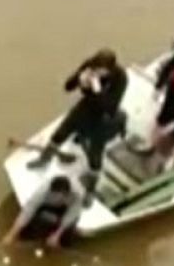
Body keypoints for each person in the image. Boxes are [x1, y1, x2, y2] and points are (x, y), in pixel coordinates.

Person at [27, 49, 128, 177]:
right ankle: (44, 159)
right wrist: (79, 80)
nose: (96, 73)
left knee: (95, 152)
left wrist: (97, 90)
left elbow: (110, 107)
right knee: (59, 134)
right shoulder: (90, 66)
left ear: (109, 70)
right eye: (95, 70)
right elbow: (68, 87)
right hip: (86, 104)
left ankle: (93, 177)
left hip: (103, 115)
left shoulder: (120, 77)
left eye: (100, 71)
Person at [2, 174, 83, 248]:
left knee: (67, 234)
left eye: (60, 198)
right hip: (46, 204)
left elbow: (72, 214)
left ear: (67, 194)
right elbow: (28, 210)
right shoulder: (42, 192)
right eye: (55, 197)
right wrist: (11, 234)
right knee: (29, 228)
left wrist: (57, 234)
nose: (58, 200)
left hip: (66, 208)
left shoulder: (77, 194)